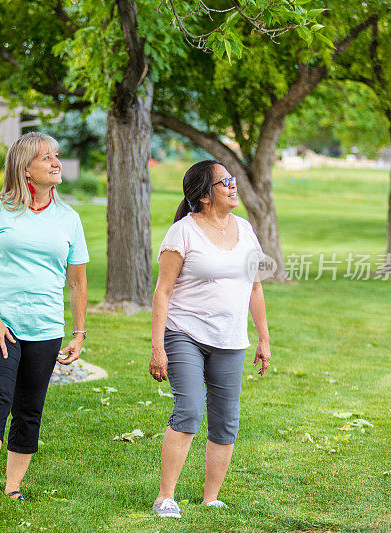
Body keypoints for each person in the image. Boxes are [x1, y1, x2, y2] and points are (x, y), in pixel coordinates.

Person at [0, 132, 89, 507]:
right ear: (26, 170)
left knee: (29, 408)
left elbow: (78, 279)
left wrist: (79, 332)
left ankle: (13, 486)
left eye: (56, 155)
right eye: (46, 158)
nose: (56, 162)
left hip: (46, 327)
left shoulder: (69, 218)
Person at [149, 160, 271, 518]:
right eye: (225, 182)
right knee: (189, 409)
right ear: (204, 195)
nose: (233, 186)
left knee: (226, 419)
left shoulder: (246, 230)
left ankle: (210, 498)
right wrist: (158, 347)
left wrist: (263, 339)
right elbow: (162, 292)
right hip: (185, 332)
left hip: (231, 339)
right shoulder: (182, 233)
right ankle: (165, 497)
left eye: (233, 180)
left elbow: (256, 287)